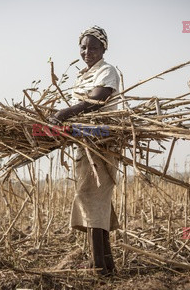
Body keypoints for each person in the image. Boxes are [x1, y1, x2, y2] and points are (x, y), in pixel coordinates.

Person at [50, 26, 120, 276]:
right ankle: (105, 263)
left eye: (92, 47)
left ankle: (99, 265)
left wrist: (63, 115)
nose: (87, 51)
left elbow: (98, 99)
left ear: (103, 48)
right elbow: (83, 105)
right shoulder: (83, 75)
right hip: (86, 143)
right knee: (96, 201)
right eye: (83, 47)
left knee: (90, 198)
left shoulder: (107, 71)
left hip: (102, 143)